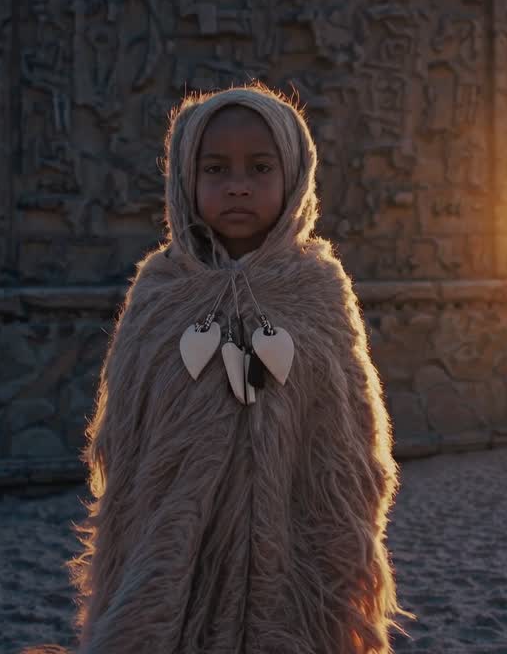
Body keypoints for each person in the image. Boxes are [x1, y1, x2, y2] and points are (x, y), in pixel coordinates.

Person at [69, 83, 411, 653]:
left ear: (294, 174)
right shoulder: (160, 290)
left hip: (293, 541)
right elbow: (127, 434)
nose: (237, 185)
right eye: (214, 168)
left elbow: (351, 431)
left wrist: (339, 528)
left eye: (259, 167)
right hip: (177, 547)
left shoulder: (317, 290)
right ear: (184, 177)